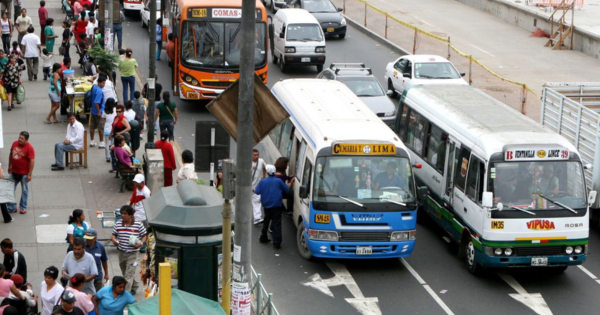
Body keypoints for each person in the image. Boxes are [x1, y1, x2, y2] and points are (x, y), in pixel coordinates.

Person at [254, 165, 294, 249]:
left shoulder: (262, 182)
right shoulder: (279, 181)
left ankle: (263, 237)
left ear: (267, 172)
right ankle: (276, 242)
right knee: (277, 224)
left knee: (266, 221)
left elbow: (257, 192)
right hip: (277, 205)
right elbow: (287, 190)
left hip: (266, 206)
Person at [111, 206, 147, 295]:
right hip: (121, 252)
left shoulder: (138, 224)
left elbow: (144, 235)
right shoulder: (118, 223)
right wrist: (114, 240)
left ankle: (125, 294)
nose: (122, 215)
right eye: (121, 213)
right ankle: (135, 286)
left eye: (125, 214)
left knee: (128, 275)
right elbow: (113, 234)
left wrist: (141, 243)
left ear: (131, 215)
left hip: (133, 253)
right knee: (125, 272)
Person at [7, 131, 34, 215]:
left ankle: (23, 207)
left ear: (27, 140)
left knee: (24, 191)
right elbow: (11, 154)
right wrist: (9, 166)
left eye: (22, 138)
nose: (20, 139)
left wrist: (29, 174)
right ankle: (11, 207)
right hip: (14, 171)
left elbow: (32, 161)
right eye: (19, 137)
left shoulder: (29, 148)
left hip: (24, 174)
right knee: (10, 189)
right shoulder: (14, 143)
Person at [89, 76, 106, 148]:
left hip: (93, 111)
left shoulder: (94, 87)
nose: (104, 84)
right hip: (98, 112)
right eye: (102, 83)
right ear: (99, 83)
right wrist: (99, 112)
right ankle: (101, 142)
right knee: (101, 128)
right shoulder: (100, 91)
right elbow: (96, 102)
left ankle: (92, 141)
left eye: (104, 83)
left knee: (92, 127)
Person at [251, 149, 266, 225]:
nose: (256, 156)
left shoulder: (261, 161)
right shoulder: (247, 163)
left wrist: (264, 176)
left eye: (257, 155)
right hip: (248, 186)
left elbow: (264, 167)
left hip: (257, 186)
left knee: (256, 201)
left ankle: (257, 218)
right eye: (255, 155)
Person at [102, 98, 116, 163]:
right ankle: (113, 155)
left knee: (107, 143)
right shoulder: (115, 110)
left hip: (107, 128)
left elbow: (104, 119)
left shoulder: (105, 111)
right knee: (113, 143)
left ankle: (107, 157)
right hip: (114, 128)